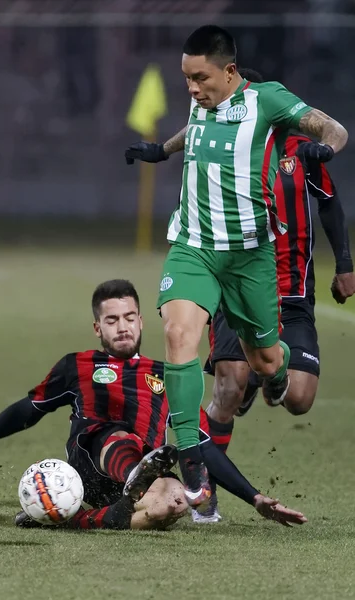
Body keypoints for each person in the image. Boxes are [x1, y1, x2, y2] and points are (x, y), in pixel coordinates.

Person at [124, 25, 348, 509]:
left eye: (199, 78)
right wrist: (161, 151)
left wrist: (323, 149)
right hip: (193, 246)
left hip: (249, 257)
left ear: (229, 72)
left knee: (267, 361)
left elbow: (334, 129)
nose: (191, 88)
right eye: (186, 78)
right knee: (178, 335)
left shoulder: (267, 101)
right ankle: (190, 461)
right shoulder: (201, 99)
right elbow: (196, 128)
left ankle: (274, 373)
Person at [0, 279, 307, 529]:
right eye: (111, 320)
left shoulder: (168, 374)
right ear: (98, 328)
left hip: (143, 472)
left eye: (129, 317)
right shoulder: (76, 365)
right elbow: (29, 410)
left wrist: (254, 497)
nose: (123, 326)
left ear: (142, 321)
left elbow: (202, 444)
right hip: (93, 468)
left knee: (174, 503)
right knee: (118, 436)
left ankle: (88, 518)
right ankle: (130, 480)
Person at [193, 68, 355, 524]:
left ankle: (272, 374)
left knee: (299, 398)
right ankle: (207, 492)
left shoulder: (300, 150)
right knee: (227, 387)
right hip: (236, 288)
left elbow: (330, 203)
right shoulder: (222, 148)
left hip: (291, 294)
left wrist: (344, 264)